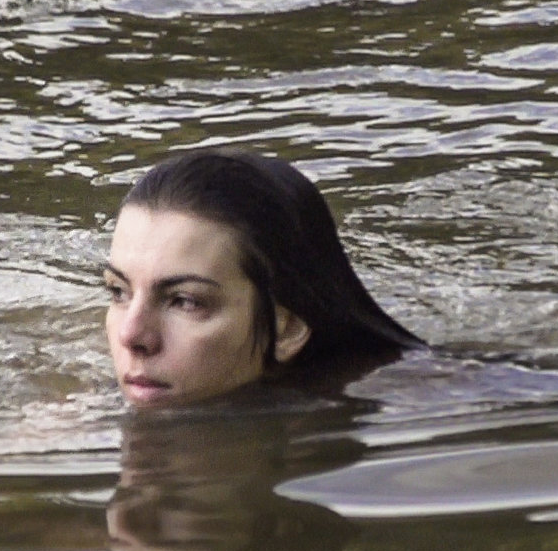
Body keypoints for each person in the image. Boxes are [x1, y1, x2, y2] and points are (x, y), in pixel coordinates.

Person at [104, 148, 423, 408]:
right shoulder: (72, 413)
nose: (131, 336)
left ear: (287, 329)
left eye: (184, 301)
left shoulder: (418, 400)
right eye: (119, 292)